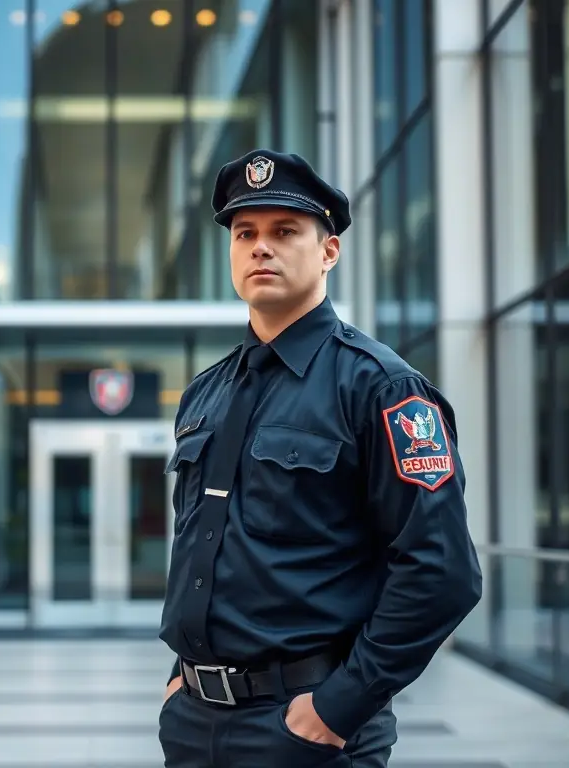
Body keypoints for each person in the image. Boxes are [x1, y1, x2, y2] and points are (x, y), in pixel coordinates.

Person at [157, 149, 483, 768]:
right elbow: (203, 546)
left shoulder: (383, 389)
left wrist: (339, 706)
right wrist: (182, 678)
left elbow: (442, 573)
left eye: (285, 231)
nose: (260, 247)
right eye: (245, 233)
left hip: (304, 731)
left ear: (329, 251)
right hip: (194, 727)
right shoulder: (205, 393)